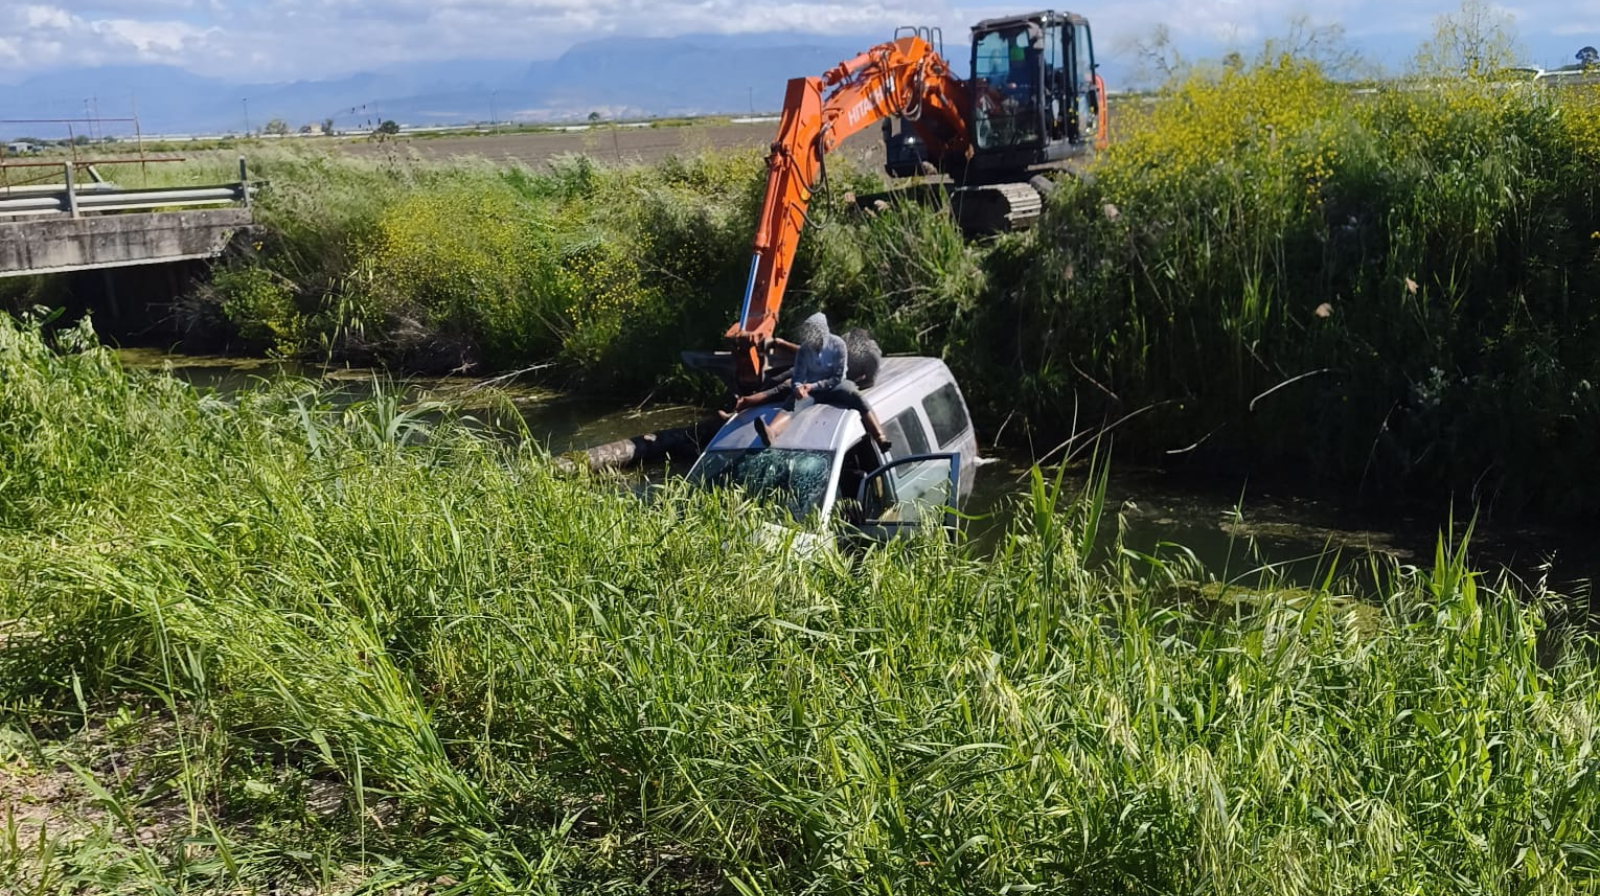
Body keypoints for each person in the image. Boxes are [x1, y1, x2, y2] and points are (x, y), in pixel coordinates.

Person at [733, 312, 892, 451]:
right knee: (790, 399)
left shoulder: (846, 347)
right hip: (811, 382)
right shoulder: (811, 347)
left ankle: (880, 438)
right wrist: (798, 387)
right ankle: (769, 431)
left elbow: (844, 377)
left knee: (857, 398)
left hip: (836, 383)